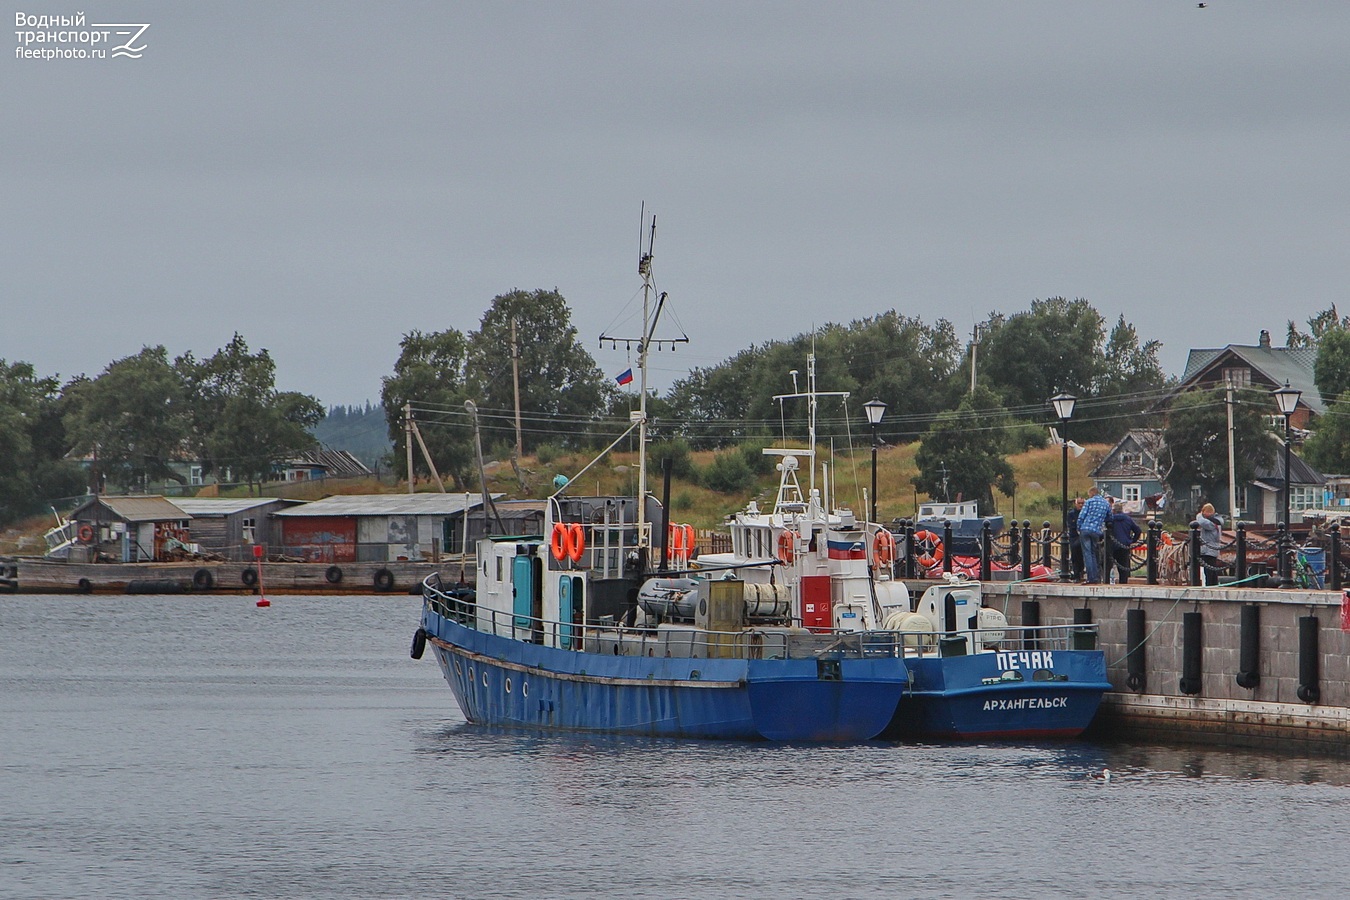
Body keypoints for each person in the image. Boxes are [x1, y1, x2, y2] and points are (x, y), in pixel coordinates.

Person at [1078, 487, 1110, 584]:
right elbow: (1110, 517)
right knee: (1094, 554)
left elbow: (1081, 516)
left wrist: (1079, 528)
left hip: (1085, 529)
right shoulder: (1106, 503)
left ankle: (1090, 578)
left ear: (1092, 493)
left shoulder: (1089, 502)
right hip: (1096, 530)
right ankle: (1096, 577)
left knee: (1087, 554)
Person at [1108, 501, 1142, 584]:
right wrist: (1132, 540)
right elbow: (1138, 530)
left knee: (1108, 566)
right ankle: (1123, 583)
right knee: (1124, 568)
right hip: (1124, 545)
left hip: (1111, 545)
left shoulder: (1110, 519)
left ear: (1113, 510)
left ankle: (1107, 582)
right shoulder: (1128, 519)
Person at [1192, 502, 1224, 585]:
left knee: (1209, 571)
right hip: (1211, 549)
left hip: (1209, 549)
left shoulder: (1212, 523)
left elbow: (1203, 523)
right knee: (1212, 570)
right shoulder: (1217, 521)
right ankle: (1213, 584)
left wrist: (1199, 515)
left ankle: (1210, 585)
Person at [1066, 497, 1085, 581]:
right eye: (1079, 503)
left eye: (1082, 503)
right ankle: (1077, 574)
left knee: (1084, 555)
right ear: (1075, 504)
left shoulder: (1086, 513)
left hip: (1084, 536)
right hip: (1074, 536)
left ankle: (1081, 572)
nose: (1081, 505)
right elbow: (1070, 525)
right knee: (1075, 555)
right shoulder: (1071, 514)